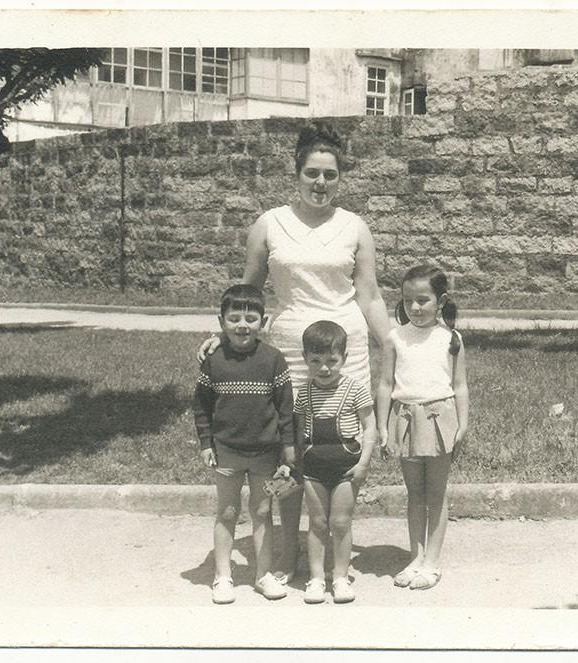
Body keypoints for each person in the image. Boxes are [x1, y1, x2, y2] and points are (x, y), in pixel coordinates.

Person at [197, 121, 391, 584]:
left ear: (340, 178)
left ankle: (335, 550)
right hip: (287, 351)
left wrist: (392, 341)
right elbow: (247, 292)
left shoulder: (355, 227)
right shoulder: (269, 223)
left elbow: (369, 295)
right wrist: (220, 335)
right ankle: (287, 551)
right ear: (297, 173)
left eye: (330, 174)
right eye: (312, 173)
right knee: (290, 446)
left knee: (340, 443)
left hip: (344, 351)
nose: (321, 183)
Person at [193, 284, 295, 604]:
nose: (242, 325)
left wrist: (287, 450)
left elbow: (285, 409)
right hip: (227, 451)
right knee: (227, 511)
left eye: (251, 319)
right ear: (221, 322)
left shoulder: (273, 360)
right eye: (234, 318)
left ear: (262, 322)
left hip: (265, 453)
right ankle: (223, 576)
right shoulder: (214, 361)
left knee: (262, 511)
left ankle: (263, 574)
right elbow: (201, 406)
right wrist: (206, 443)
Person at [375, 265, 469, 591]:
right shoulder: (395, 338)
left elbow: (460, 385)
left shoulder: (451, 339)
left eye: (423, 300)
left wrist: (463, 424)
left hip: (440, 419)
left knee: (436, 493)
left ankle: (432, 563)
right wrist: (382, 426)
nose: (414, 307)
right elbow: (385, 384)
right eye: (407, 300)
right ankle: (416, 558)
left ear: (440, 301)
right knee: (415, 493)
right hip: (405, 419)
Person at [293, 321, 376, 604]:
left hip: (346, 469)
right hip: (313, 469)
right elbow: (300, 431)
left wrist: (363, 463)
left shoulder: (355, 390)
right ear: (305, 359)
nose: (324, 368)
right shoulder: (304, 393)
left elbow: (370, 427)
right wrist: (296, 464)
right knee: (317, 523)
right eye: (315, 361)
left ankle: (340, 577)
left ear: (344, 358)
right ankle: (316, 578)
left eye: (332, 360)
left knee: (340, 523)